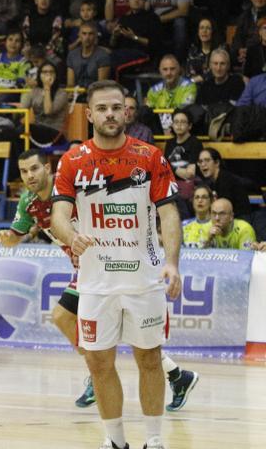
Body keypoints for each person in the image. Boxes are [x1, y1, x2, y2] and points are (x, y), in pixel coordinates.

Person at [0, 148, 198, 412]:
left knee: (67, 318)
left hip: (111, 264)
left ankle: (102, 370)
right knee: (79, 323)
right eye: (23, 171)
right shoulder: (28, 203)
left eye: (34, 168)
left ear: (48, 168)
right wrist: (4, 238)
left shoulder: (70, 187)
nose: (29, 176)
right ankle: (177, 376)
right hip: (86, 270)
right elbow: (14, 238)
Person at [51, 80, 185, 449]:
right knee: (98, 364)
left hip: (144, 280)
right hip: (94, 283)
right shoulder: (73, 161)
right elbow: (58, 214)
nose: (110, 114)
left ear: (126, 112)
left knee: (150, 360)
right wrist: (70, 235)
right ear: (90, 114)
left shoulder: (150, 157)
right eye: (103, 108)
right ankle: (116, 441)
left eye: (117, 107)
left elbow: (169, 214)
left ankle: (155, 441)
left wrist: (171, 262)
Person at [20, 62, 69, 146]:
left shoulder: (62, 93)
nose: (48, 75)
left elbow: (48, 111)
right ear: (39, 75)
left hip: (55, 133)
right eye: (45, 72)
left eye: (51, 72)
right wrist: (28, 88)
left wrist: (47, 88)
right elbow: (22, 110)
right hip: (38, 131)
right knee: (14, 133)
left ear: (56, 75)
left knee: (24, 129)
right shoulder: (35, 91)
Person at [197, 147, 253, 221]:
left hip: (240, 221)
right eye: (200, 161)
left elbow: (224, 210)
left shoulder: (226, 179)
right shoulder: (210, 182)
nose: (203, 164)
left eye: (207, 160)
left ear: (217, 163)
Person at [145, 55, 196, 134]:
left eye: (172, 69)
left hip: (180, 129)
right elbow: (148, 113)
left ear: (179, 70)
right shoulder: (153, 90)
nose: (168, 73)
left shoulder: (189, 87)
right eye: (165, 69)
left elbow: (184, 112)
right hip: (158, 130)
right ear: (160, 71)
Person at [67, 22, 111, 89]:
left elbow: (101, 85)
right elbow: (70, 84)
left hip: (96, 94)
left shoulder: (103, 56)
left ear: (95, 36)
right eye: (84, 34)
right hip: (76, 93)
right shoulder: (72, 55)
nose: (87, 37)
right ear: (79, 35)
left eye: (90, 34)